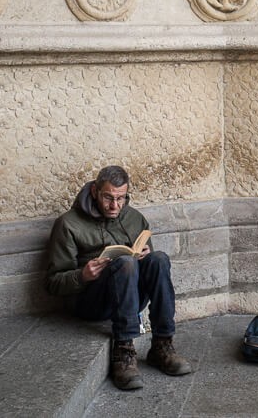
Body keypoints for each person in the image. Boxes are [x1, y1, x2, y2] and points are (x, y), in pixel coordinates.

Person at [46, 165, 191, 391]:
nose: (115, 205)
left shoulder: (134, 218)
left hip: (128, 298)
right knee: (124, 263)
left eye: (121, 198)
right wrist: (82, 275)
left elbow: (147, 264)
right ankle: (123, 351)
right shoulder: (68, 224)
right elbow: (52, 283)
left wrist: (146, 255)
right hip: (91, 301)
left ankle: (163, 343)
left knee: (159, 259)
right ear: (94, 192)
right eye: (108, 198)